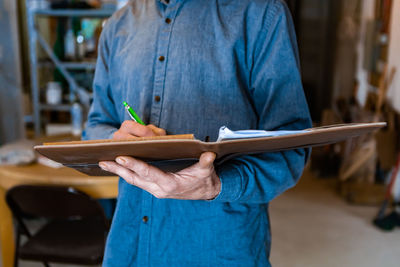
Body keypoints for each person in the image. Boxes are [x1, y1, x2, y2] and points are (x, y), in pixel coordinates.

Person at [83, 0, 312, 266]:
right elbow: (96, 125)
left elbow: (291, 148)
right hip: (128, 247)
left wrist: (217, 184)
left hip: (220, 248)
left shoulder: (262, 14)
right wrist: (115, 140)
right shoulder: (117, 26)